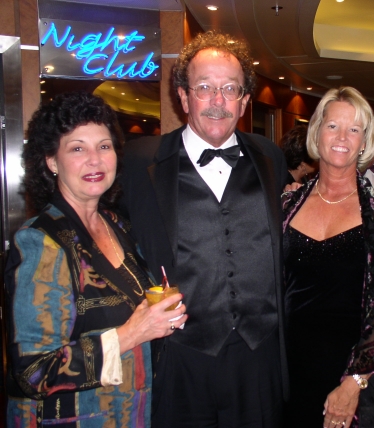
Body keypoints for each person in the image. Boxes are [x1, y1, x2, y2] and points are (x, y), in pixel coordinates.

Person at [120, 30, 289, 427]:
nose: (217, 101)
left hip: (259, 354)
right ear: (183, 97)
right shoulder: (139, 162)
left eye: (230, 89)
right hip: (181, 356)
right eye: (204, 88)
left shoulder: (270, 157)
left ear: (244, 101)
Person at [5, 91, 187, 427]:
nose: (95, 160)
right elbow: (33, 372)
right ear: (51, 161)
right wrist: (131, 334)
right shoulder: (40, 242)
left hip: (133, 413)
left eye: (104, 146)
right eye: (78, 148)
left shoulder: (116, 224)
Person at [282, 86, 374, 428]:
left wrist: (355, 381)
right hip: (289, 374)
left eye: (354, 129)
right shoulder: (286, 206)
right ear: (316, 133)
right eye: (333, 126)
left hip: (357, 380)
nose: (342, 137)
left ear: (365, 141)